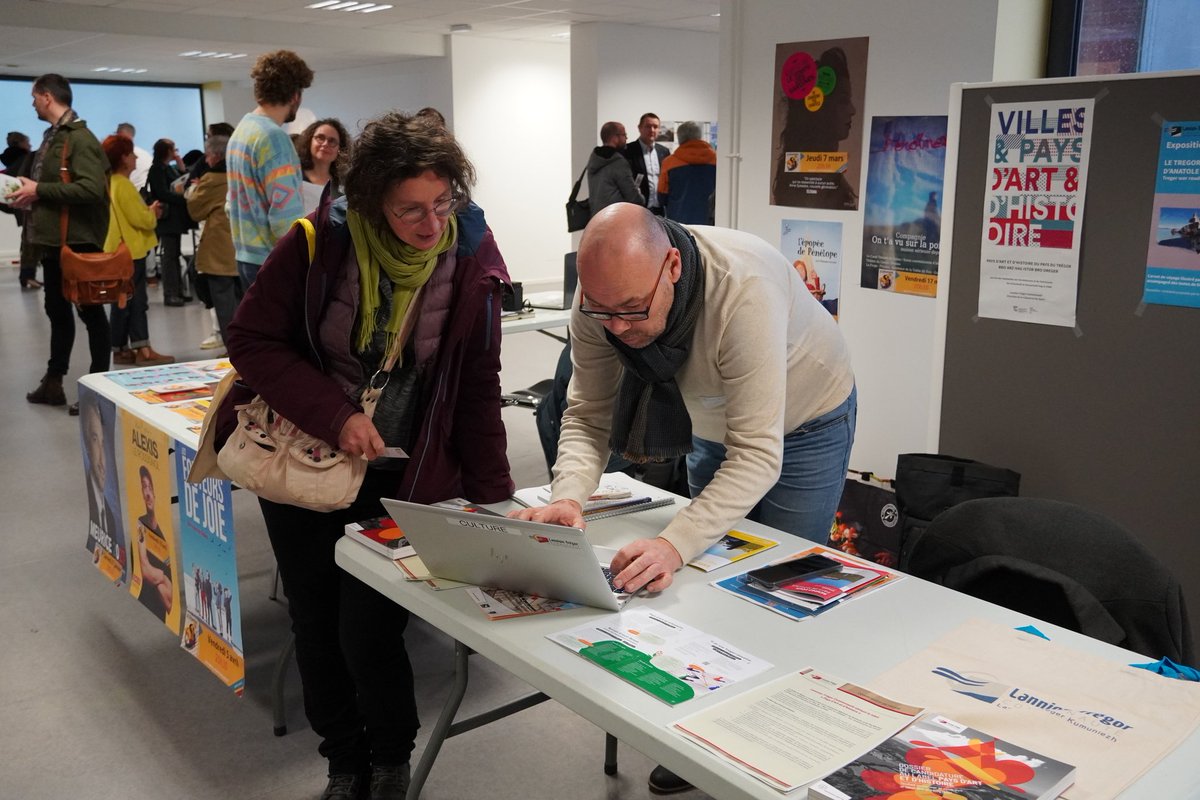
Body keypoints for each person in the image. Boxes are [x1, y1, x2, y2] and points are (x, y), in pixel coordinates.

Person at [510, 202, 856, 795]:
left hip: (804, 420)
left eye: (631, 310)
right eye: (602, 311)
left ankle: (772, 751)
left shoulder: (742, 289)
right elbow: (588, 412)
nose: (615, 326)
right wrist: (569, 496)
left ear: (672, 266)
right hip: (712, 417)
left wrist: (673, 544)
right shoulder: (601, 296)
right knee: (711, 583)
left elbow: (757, 455)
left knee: (782, 585)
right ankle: (707, 734)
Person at [219, 111, 513, 800]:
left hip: (404, 478)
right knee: (316, 623)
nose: (430, 224)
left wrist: (495, 499)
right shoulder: (318, 243)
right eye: (409, 209)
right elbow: (253, 340)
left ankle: (389, 761)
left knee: (372, 627)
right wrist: (337, 414)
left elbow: (477, 384)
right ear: (372, 200)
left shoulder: (470, 255)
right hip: (308, 468)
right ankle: (343, 764)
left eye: (443, 203)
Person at [6, 74, 111, 414]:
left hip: (78, 243)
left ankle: (99, 389)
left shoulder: (80, 139)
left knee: (91, 313)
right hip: (56, 243)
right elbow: (58, 187)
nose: (32, 104)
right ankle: (54, 381)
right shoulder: (54, 137)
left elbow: (91, 189)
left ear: (47, 97)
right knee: (58, 313)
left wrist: (39, 190)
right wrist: (30, 193)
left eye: (34, 97)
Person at [227, 49, 313, 291]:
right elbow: (284, 218)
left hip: (245, 257)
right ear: (296, 95)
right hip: (272, 261)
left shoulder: (241, 132)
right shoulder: (274, 139)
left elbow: (229, 203)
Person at [101, 134, 174, 366]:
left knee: (122, 301)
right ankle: (143, 348)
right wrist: (152, 212)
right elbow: (141, 220)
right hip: (132, 253)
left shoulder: (109, 183)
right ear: (123, 158)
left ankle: (120, 349)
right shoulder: (124, 186)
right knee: (137, 302)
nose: (134, 157)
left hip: (116, 252)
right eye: (131, 153)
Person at [772, 46, 858, 209]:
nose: (853, 110)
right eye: (843, 100)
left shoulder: (798, 170)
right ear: (820, 109)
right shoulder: (810, 178)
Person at [186, 134, 241, 350]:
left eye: (208, 156)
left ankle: (234, 354)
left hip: (219, 251)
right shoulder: (241, 174)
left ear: (215, 156)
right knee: (245, 302)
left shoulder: (211, 179)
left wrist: (193, 190)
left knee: (225, 305)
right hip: (246, 247)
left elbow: (195, 210)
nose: (206, 160)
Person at [81, 393, 126, 577]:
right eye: (94, 440)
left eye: (103, 442)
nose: (101, 459)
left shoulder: (109, 514)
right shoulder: (101, 507)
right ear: (85, 442)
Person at [146, 137, 194, 305]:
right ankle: (171, 293)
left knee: (174, 254)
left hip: (174, 218)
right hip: (167, 219)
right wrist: (184, 198)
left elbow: (183, 180)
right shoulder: (157, 170)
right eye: (173, 149)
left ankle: (177, 291)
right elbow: (162, 193)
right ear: (167, 151)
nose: (176, 152)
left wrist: (181, 166)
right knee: (170, 256)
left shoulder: (169, 168)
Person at [1, 130, 40, 290]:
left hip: (18, 202)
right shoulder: (27, 159)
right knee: (30, 240)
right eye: (27, 142)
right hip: (26, 202)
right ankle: (27, 275)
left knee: (28, 239)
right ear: (21, 144)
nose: (30, 145)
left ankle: (27, 276)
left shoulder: (10, 161)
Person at [657, 121, 717, 225]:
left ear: (679, 138)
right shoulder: (716, 160)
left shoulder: (669, 162)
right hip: (709, 220)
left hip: (678, 221)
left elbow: (662, 197)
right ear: (699, 136)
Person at [135, 465, 173, 621]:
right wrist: (163, 579)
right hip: (144, 613)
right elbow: (145, 570)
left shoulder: (164, 535)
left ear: (155, 493)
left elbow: (170, 603)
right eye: (145, 487)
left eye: (150, 488)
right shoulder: (141, 524)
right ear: (142, 494)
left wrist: (157, 577)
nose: (148, 493)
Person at [587, 121, 642, 214]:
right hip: (615, 217)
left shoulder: (594, 159)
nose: (626, 138)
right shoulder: (619, 162)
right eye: (624, 135)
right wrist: (640, 196)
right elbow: (633, 198)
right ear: (614, 137)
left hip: (596, 217)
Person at [297, 117, 350, 215]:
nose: (325, 144)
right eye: (320, 138)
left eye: (332, 141)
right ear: (310, 141)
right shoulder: (294, 176)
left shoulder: (344, 184)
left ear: (340, 149)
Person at [623, 113, 670, 215]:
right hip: (638, 207)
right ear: (639, 128)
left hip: (660, 208)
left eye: (655, 127)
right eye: (648, 126)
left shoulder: (664, 151)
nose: (652, 130)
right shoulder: (628, 150)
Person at [115, 122, 152, 190]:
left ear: (118, 134)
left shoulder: (119, 154)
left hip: (129, 195)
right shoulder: (146, 155)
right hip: (148, 195)